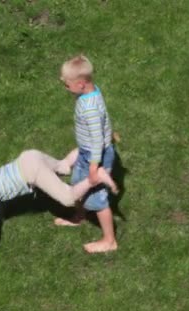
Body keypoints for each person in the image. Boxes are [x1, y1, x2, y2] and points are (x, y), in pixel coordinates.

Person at [0, 149, 118, 270]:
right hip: (28, 157)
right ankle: (91, 146)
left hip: (31, 172)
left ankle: (95, 178)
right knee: (64, 166)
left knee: (68, 198)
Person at [56, 54, 118, 254]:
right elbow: (103, 121)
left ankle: (109, 240)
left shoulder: (89, 108)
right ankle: (80, 216)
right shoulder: (90, 93)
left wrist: (94, 167)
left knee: (98, 199)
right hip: (87, 153)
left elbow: (96, 138)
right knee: (79, 186)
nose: (65, 88)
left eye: (67, 85)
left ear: (81, 84)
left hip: (94, 156)